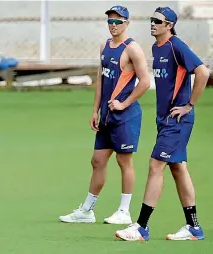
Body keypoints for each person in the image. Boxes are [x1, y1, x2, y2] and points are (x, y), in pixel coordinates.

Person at [115, 7, 210, 241]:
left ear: (169, 25)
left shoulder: (176, 46)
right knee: (178, 168)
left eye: (158, 21)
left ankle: (141, 227)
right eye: (151, 19)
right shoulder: (156, 48)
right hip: (165, 120)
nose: (153, 24)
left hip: (177, 120)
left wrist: (190, 104)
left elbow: (203, 72)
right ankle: (193, 228)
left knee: (155, 165)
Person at [59, 5, 150, 224]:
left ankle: (124, 211)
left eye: (118, 21)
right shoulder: (105, 46)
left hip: (126, 116)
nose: (113, 25)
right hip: (106, 116)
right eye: (110, 21)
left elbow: (145, 82)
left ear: (127, 23)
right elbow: (101, 79)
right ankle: (87, 211)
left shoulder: (133, 49)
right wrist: (95, 110)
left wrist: (123, 103)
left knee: (124, 161)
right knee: (98, 160)